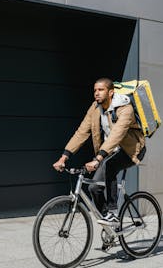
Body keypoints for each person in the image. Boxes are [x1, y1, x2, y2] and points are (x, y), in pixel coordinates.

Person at [52, 78, 146, 225]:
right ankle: (108, 224)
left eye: (101, 90)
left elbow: (117, 135)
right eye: (95, 90)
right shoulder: (95, 108)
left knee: (111, 166)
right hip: (109, 151)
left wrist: (98, 159)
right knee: (94, 188)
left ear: (111, 92)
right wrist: (64, 157)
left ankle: (113, 213)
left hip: (132, 149)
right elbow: (82, 132)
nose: (96, 93)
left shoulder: (125, 108)